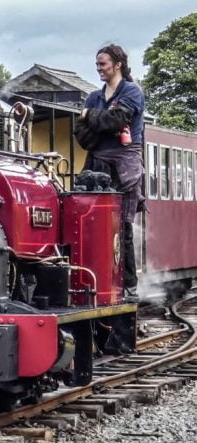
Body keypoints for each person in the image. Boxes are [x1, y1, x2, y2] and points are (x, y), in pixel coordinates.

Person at [75, 44, 145, 301]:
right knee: (84, 222)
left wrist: (90, 116)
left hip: (123, 165)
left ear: (117, 64)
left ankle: (128, 285)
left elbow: (117, 121)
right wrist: (100, 120)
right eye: (97, 64)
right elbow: (82, 135)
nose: (99, 69)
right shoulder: (94, 96)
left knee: (122, 226)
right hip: (95, 163)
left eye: (102, 64)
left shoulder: (132, 91)